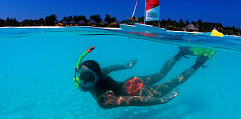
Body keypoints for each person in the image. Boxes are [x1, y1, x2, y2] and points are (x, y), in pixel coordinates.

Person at [73, 46, 216, 109]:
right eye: (81, 76)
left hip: (138, 93)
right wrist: (125, 66)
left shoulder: (104, 101)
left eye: (88, 77)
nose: (83, 82)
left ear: (97, 77)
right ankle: (180, 54)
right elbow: (109, 68)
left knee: (173, 82)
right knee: (161, 74)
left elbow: (135, 101)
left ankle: (199, 63)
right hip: (132, 82)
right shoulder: (98, 72)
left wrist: (161, 101)